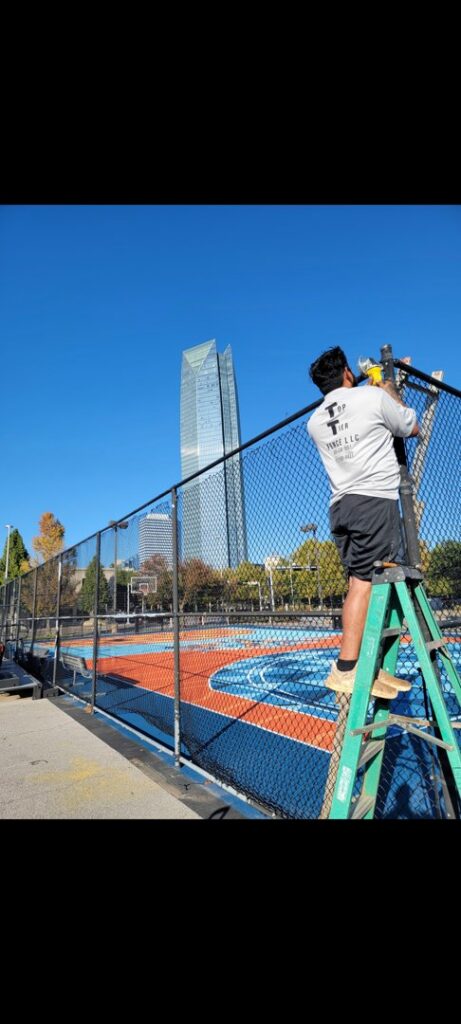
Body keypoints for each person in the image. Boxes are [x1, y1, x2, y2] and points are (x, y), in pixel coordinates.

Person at [307, 346, 419, 699]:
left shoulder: (314, 422)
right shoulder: (370, 397)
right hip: (373, 501)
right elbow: (410, 426)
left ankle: (365, 668)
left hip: (341, 506)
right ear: (346, 373)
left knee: (361, 581)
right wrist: (387, 387)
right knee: (366, 584)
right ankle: (347, 668)